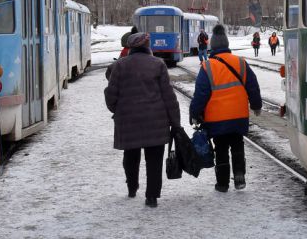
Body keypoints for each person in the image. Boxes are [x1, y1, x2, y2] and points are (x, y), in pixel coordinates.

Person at [104, 32, 181, 208]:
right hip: (156, 121)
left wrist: (118, 110)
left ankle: (132, 187)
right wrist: (175, 122)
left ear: (131, 47)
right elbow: (169, 97)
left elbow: (111, 95)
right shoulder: (158, 64)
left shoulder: (120, 65)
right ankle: (152, 197)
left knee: (131, 155)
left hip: (129, 121)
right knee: (154, 160)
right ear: (148, 46)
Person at [189, 24, 262, 192]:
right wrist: (256, 105)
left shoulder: (207, 67)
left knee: (220, 149)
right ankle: (239, 177)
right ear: (227, 44)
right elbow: (253, 86)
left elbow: (200, 94)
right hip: (238, 116)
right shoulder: (240, 62)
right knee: (237, 144)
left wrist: (194, 113)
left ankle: (222, 184)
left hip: (216, 119)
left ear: (212, 46)